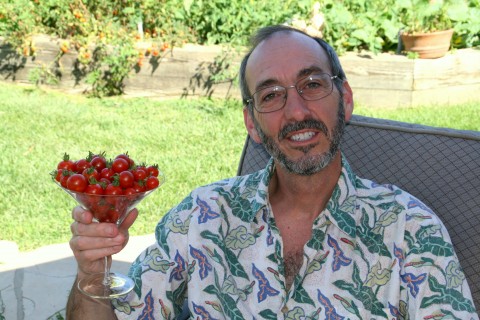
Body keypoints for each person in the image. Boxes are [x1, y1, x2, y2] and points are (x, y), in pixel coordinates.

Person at [66, 25, 478, 319]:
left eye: (312, 84)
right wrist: (91, 273)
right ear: (252, 123)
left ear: (345, 99)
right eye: (271, 95)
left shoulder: (409, 228)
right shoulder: (202, 216)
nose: (296, 111)